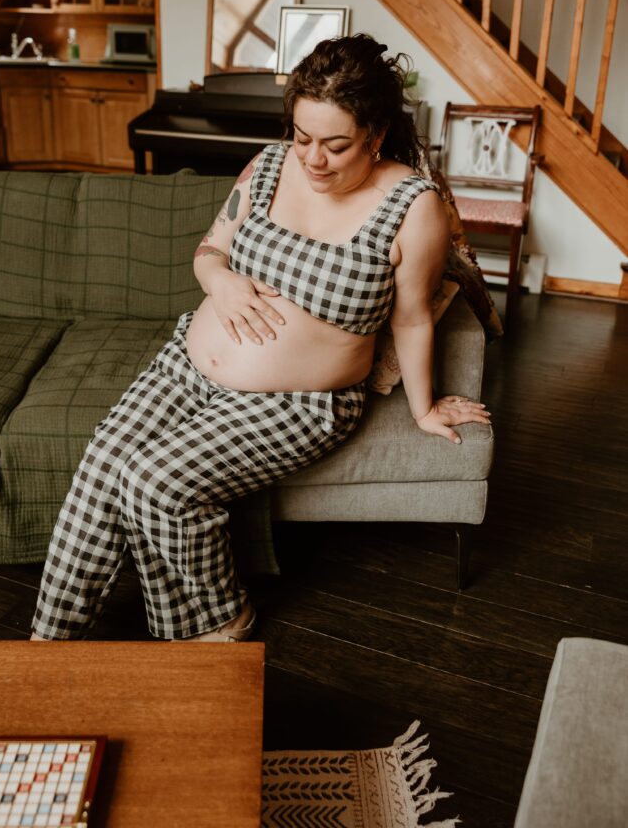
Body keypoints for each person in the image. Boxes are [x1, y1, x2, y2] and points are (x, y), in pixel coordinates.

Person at [31, 34, 489, 643]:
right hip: (184, 369)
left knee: (155, 481)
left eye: (336, 144)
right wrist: (219, 283)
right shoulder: (269, 164)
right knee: (100, 467)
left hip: (297, 403)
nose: (313, 159)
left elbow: (409, 318)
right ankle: (45, 649)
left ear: (375, 134)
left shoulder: (412, 206)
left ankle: (221, 621)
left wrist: (424, 406)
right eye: (303, 138)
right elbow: (210, 251)